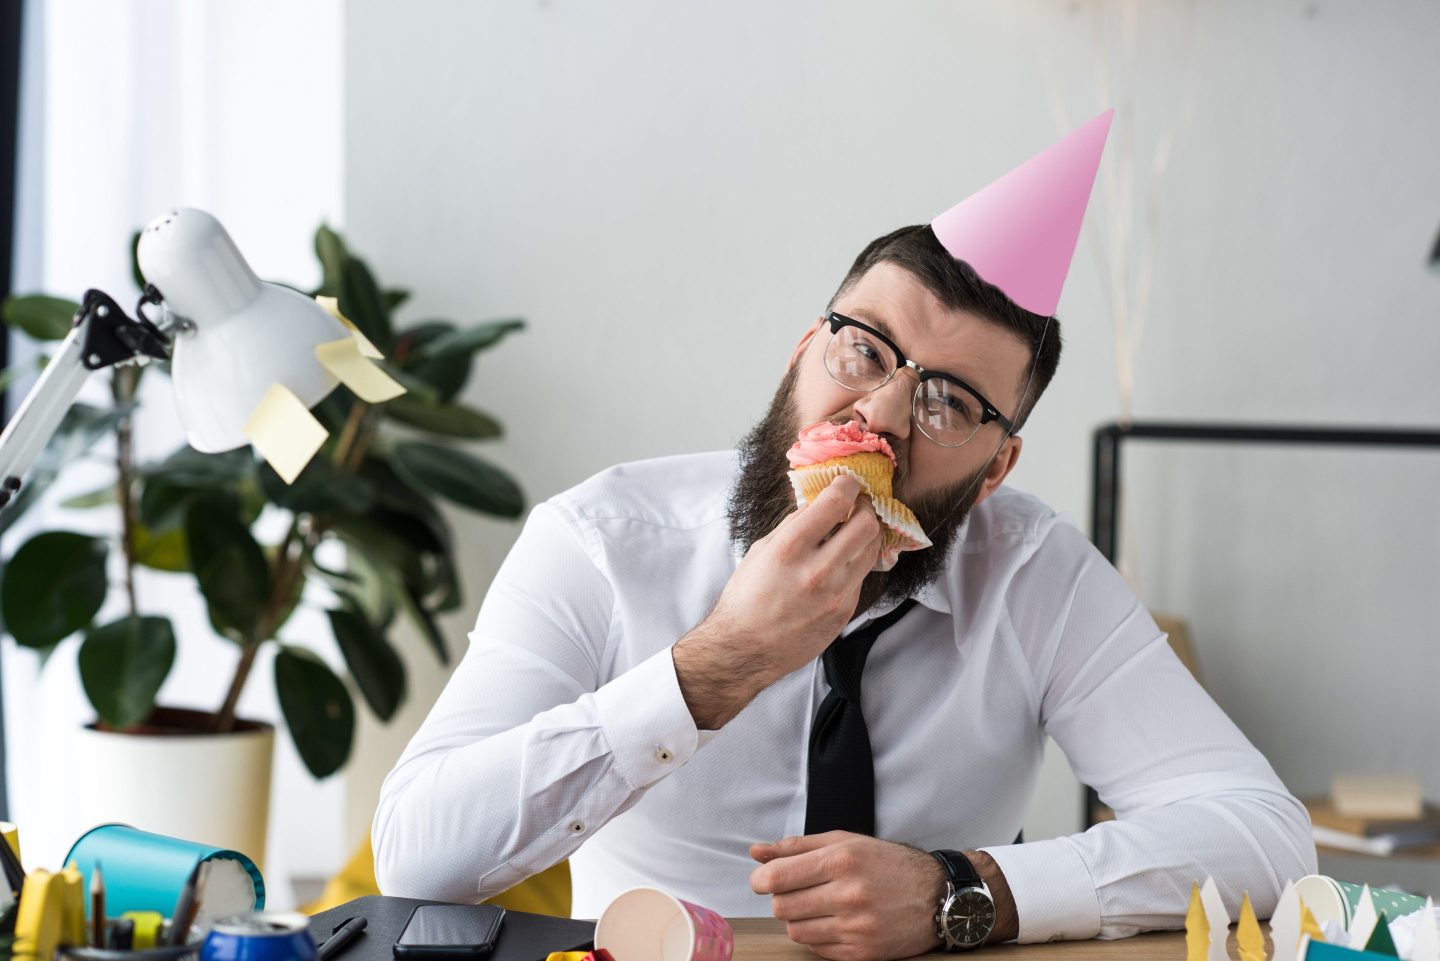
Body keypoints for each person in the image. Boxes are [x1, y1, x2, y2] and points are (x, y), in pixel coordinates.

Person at [372, 112, 1315, 961]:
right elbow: (417, 856)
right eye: (863, 348)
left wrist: (967, 888)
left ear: (996, 470)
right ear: (800, 354)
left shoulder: (1035, 572)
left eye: (949, 400)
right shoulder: (601, 541)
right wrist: (718, 665)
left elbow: (1265, 834)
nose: (880, 414)